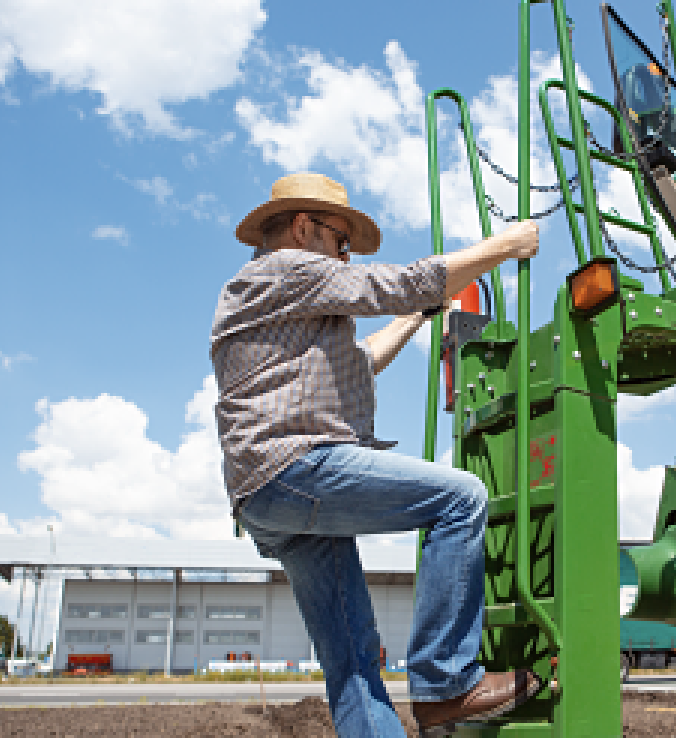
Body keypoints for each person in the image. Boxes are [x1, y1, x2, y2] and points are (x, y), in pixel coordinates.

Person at [210, 173, 542, 737]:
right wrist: (503, 247)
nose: (344, 256)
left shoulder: (273, 296)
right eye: (341, 242)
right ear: (301, 227)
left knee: (351, 658)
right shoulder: (287, 267)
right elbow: (400, 282)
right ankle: (445, 683)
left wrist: (415, 318)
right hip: (295, 465)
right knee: (461, 497)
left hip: (270, 494)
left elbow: (362, 361)